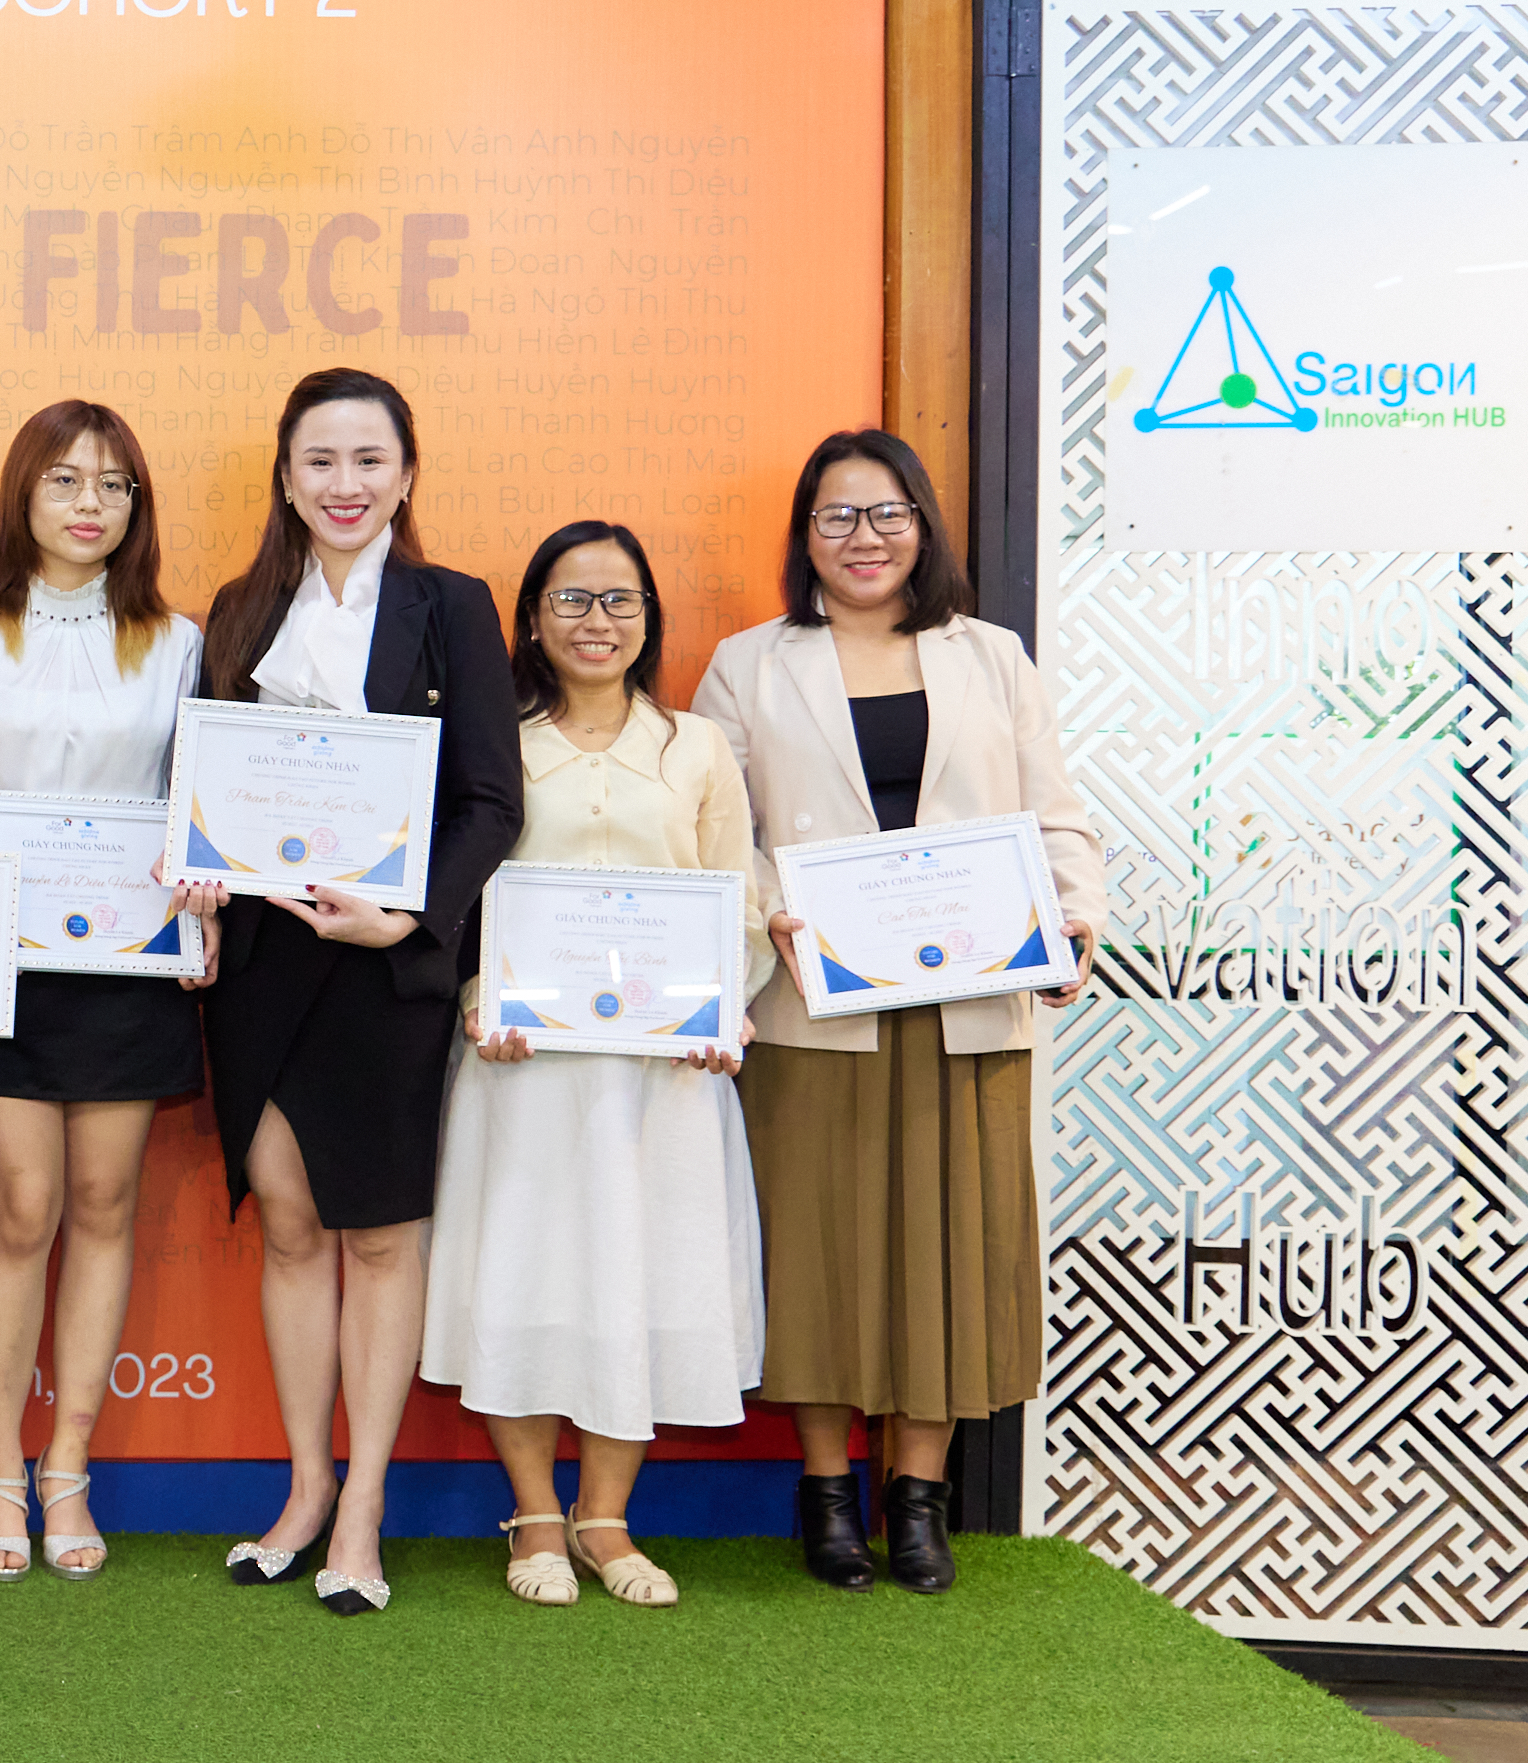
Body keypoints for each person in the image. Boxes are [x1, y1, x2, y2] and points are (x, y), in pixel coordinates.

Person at [695, 430, 1102, 1595]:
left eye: (885, 516)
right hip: (817, 1010)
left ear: (922, 526)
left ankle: (915, 1502)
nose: (862, 540)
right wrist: (774, 910)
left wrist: (1071, 918)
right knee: (818, 1248)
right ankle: (827, 1496)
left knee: (949, 1251)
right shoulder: (750, 665)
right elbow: (725, 838)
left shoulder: (992, 660)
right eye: (836, 518)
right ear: (803, 535)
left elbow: (1052, 812)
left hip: (968, 1006)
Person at [196, 368, 524, 1615]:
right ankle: (304, 1485)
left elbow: (494, 803)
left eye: (369, 460)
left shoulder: (453, 607)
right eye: (320, 461)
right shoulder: (237, 611)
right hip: (268, 973)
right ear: (286, 476)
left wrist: (411, 919)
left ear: (407, 473)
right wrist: (203, 873)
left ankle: (368, 1506)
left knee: (381, 1236)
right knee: (286, 1224)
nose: (346, 485)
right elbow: (206, 790)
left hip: (386, 969)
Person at [420, 520, 767, 1609]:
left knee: (642, 1277)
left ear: (650, 621)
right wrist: (481, 1002)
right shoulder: (496, 744)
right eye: (572, 600)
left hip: (662, 1076)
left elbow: (737, 892)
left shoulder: (696, 748)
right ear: (531, 619)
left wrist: (727, 1007)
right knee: (522, 1275)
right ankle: (532, 1513)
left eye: (620, 601)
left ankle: (607, 1519)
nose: (597, 621)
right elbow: (462, 898)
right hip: (524, 1064)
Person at [0, 403, 211, 1581]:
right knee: (23, 1210)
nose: (90, 504)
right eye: (63, 480)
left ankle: (68, 1469)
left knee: (102, 1204)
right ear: (20, 496)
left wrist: (205, 893)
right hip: (8, 963)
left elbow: (197, 796)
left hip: (128, 966)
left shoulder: (178, 638)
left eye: (114, 485)